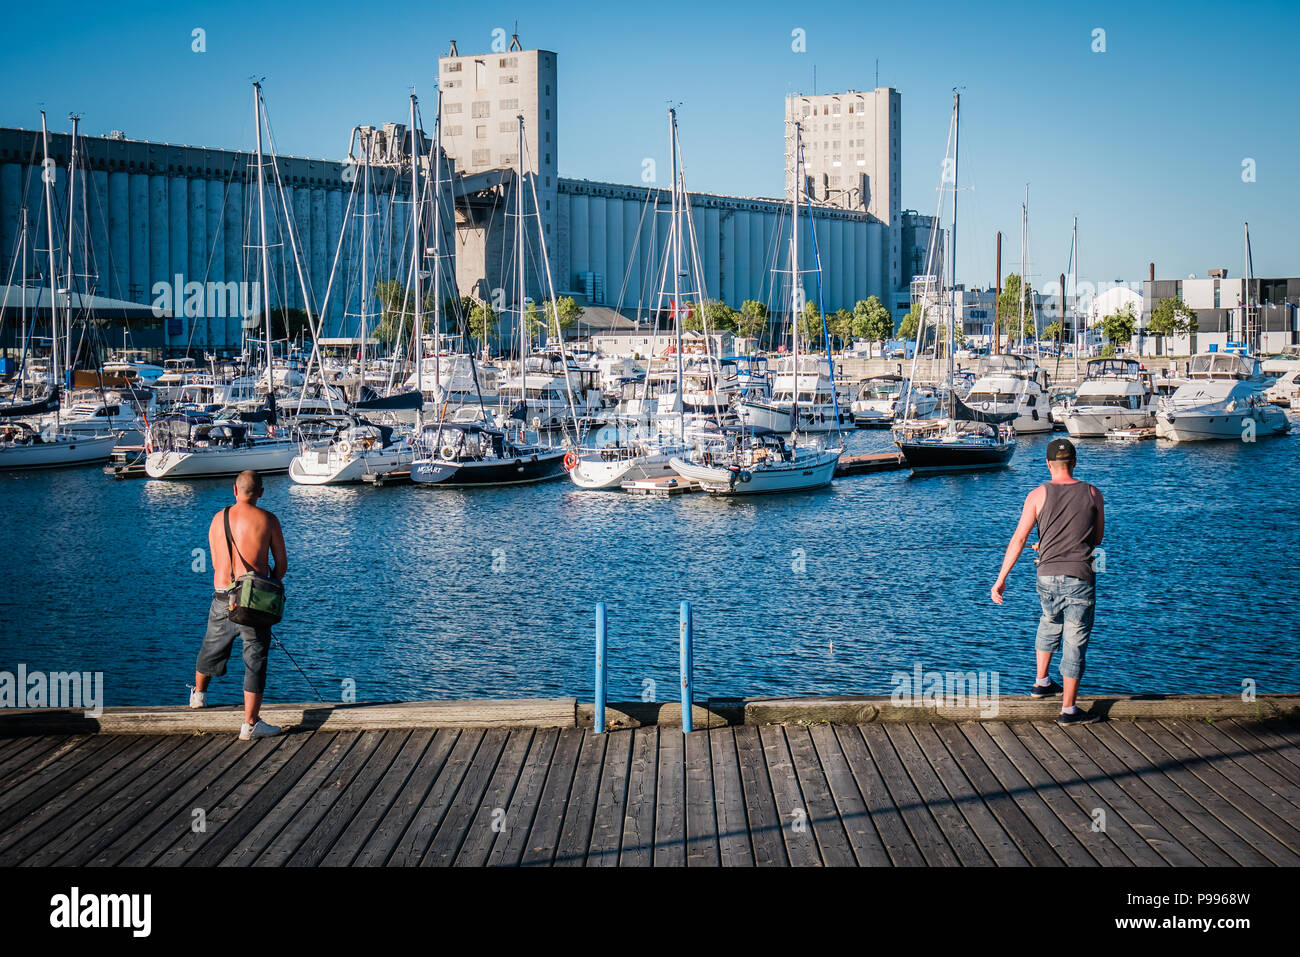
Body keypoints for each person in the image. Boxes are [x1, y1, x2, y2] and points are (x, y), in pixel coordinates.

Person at [991, 438, 1105, 725]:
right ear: (1075, 463)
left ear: (1048, 464)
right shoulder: (1093, 493)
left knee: (1049, 621)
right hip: (1080, 575)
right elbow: (1097, 539)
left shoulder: (1036, 495)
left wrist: (1001, 579)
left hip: (1046, 575)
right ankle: (1068, 710)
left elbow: (1018, 539)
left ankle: (1041, 681)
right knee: (1075, 640)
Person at [190, 470, 288, 740]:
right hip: (252, 600)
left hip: (222, 595)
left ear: (235, 490)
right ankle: (251, 723)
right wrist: (266, 578)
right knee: (255, 660)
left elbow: (214, 562)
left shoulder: (217, 519)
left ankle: (198, 696)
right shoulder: (268, 520)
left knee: (211, 646)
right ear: (261, 492)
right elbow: (281, 567)